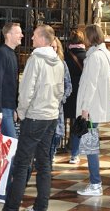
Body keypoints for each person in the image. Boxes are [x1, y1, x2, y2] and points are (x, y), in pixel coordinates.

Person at [2, 24, 64, 211]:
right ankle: (41, 206)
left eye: (35, 35)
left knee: (22, 164)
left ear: (43, 39)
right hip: (51, 117)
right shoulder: (58, 61)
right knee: (44, 164)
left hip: (35, 116)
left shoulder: (35, 59)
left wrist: (21, 112)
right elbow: (60, 91)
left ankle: (11, 208)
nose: (31, 38)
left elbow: (26, 90)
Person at [76, 24, 110, 197]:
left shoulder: (94, 57)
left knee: (90, 147)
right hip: (96, 105)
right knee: (90, 144)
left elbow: (91, 84)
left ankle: (95, 183)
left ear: (90, 37)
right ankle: (95, 182)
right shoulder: (104, 54)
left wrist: (85, 108)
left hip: (92, 107)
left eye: (85, 35)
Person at [0, 22, 23, 203]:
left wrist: (14, 107)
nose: (21, 35)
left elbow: (11, 86)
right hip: (3, 110)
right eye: (18, 33)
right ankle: (2, 192)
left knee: (2, 151)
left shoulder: (12, 54)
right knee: (10, 151)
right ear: (8, 35)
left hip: (8, 108)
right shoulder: (1, 53)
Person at [64, 29, 87, 164]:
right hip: (81, 93)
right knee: (77, 121)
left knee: (63, 119)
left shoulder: (65, 56)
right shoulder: (87, 56)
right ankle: (74, 151)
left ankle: (58, 145)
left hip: (68, 92)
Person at [49, 37, 72, 167]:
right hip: (44, 107)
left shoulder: (62, 64)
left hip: (57, 107)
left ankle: (51, 155)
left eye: (54, 47)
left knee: (56, 135)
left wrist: (62, 98)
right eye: (50, 47)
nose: (53, 49)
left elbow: (68, 85)